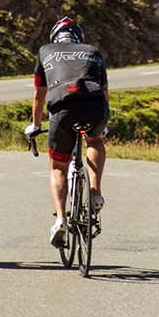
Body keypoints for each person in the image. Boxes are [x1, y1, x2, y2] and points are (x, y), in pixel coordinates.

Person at [23, 15, 108, 248]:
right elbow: (104, 90)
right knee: (95, 141)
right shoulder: (93, 51)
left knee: (58, 166)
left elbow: (39, 93)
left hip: (62, 107)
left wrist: (36, 125)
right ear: (78, 38)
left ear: (55, 37)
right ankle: (95, 193)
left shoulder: (45, 51)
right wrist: (104, 123)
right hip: (95, 105)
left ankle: (61, 218)